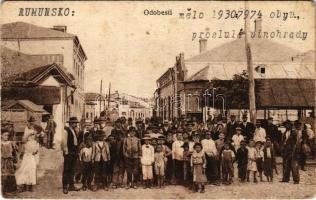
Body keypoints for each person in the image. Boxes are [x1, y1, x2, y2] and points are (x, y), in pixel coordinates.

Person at [61, 117, 81, 194]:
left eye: (76, 123)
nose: (76, 124)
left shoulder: (74, 130)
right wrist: (66, 152)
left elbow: (76, 142)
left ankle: (71, 185)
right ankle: (65, 186)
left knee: (73, 169)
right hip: (69, 153)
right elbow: (64, 142)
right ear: (71, 123)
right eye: (75, 123)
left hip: (74, 152)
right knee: (66, 169)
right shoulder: (66, 131)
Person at [1, 129, 17, 193]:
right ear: (1, 135)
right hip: (3, 161)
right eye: (5, 135)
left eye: (7, 135)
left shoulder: (10, 143)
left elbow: (14, 152)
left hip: (9, 161)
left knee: (10, 174)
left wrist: (14, 159)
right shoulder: (1, 143)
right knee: (4, 174)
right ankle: (4, 188)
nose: (6, 137)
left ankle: (11, 188)